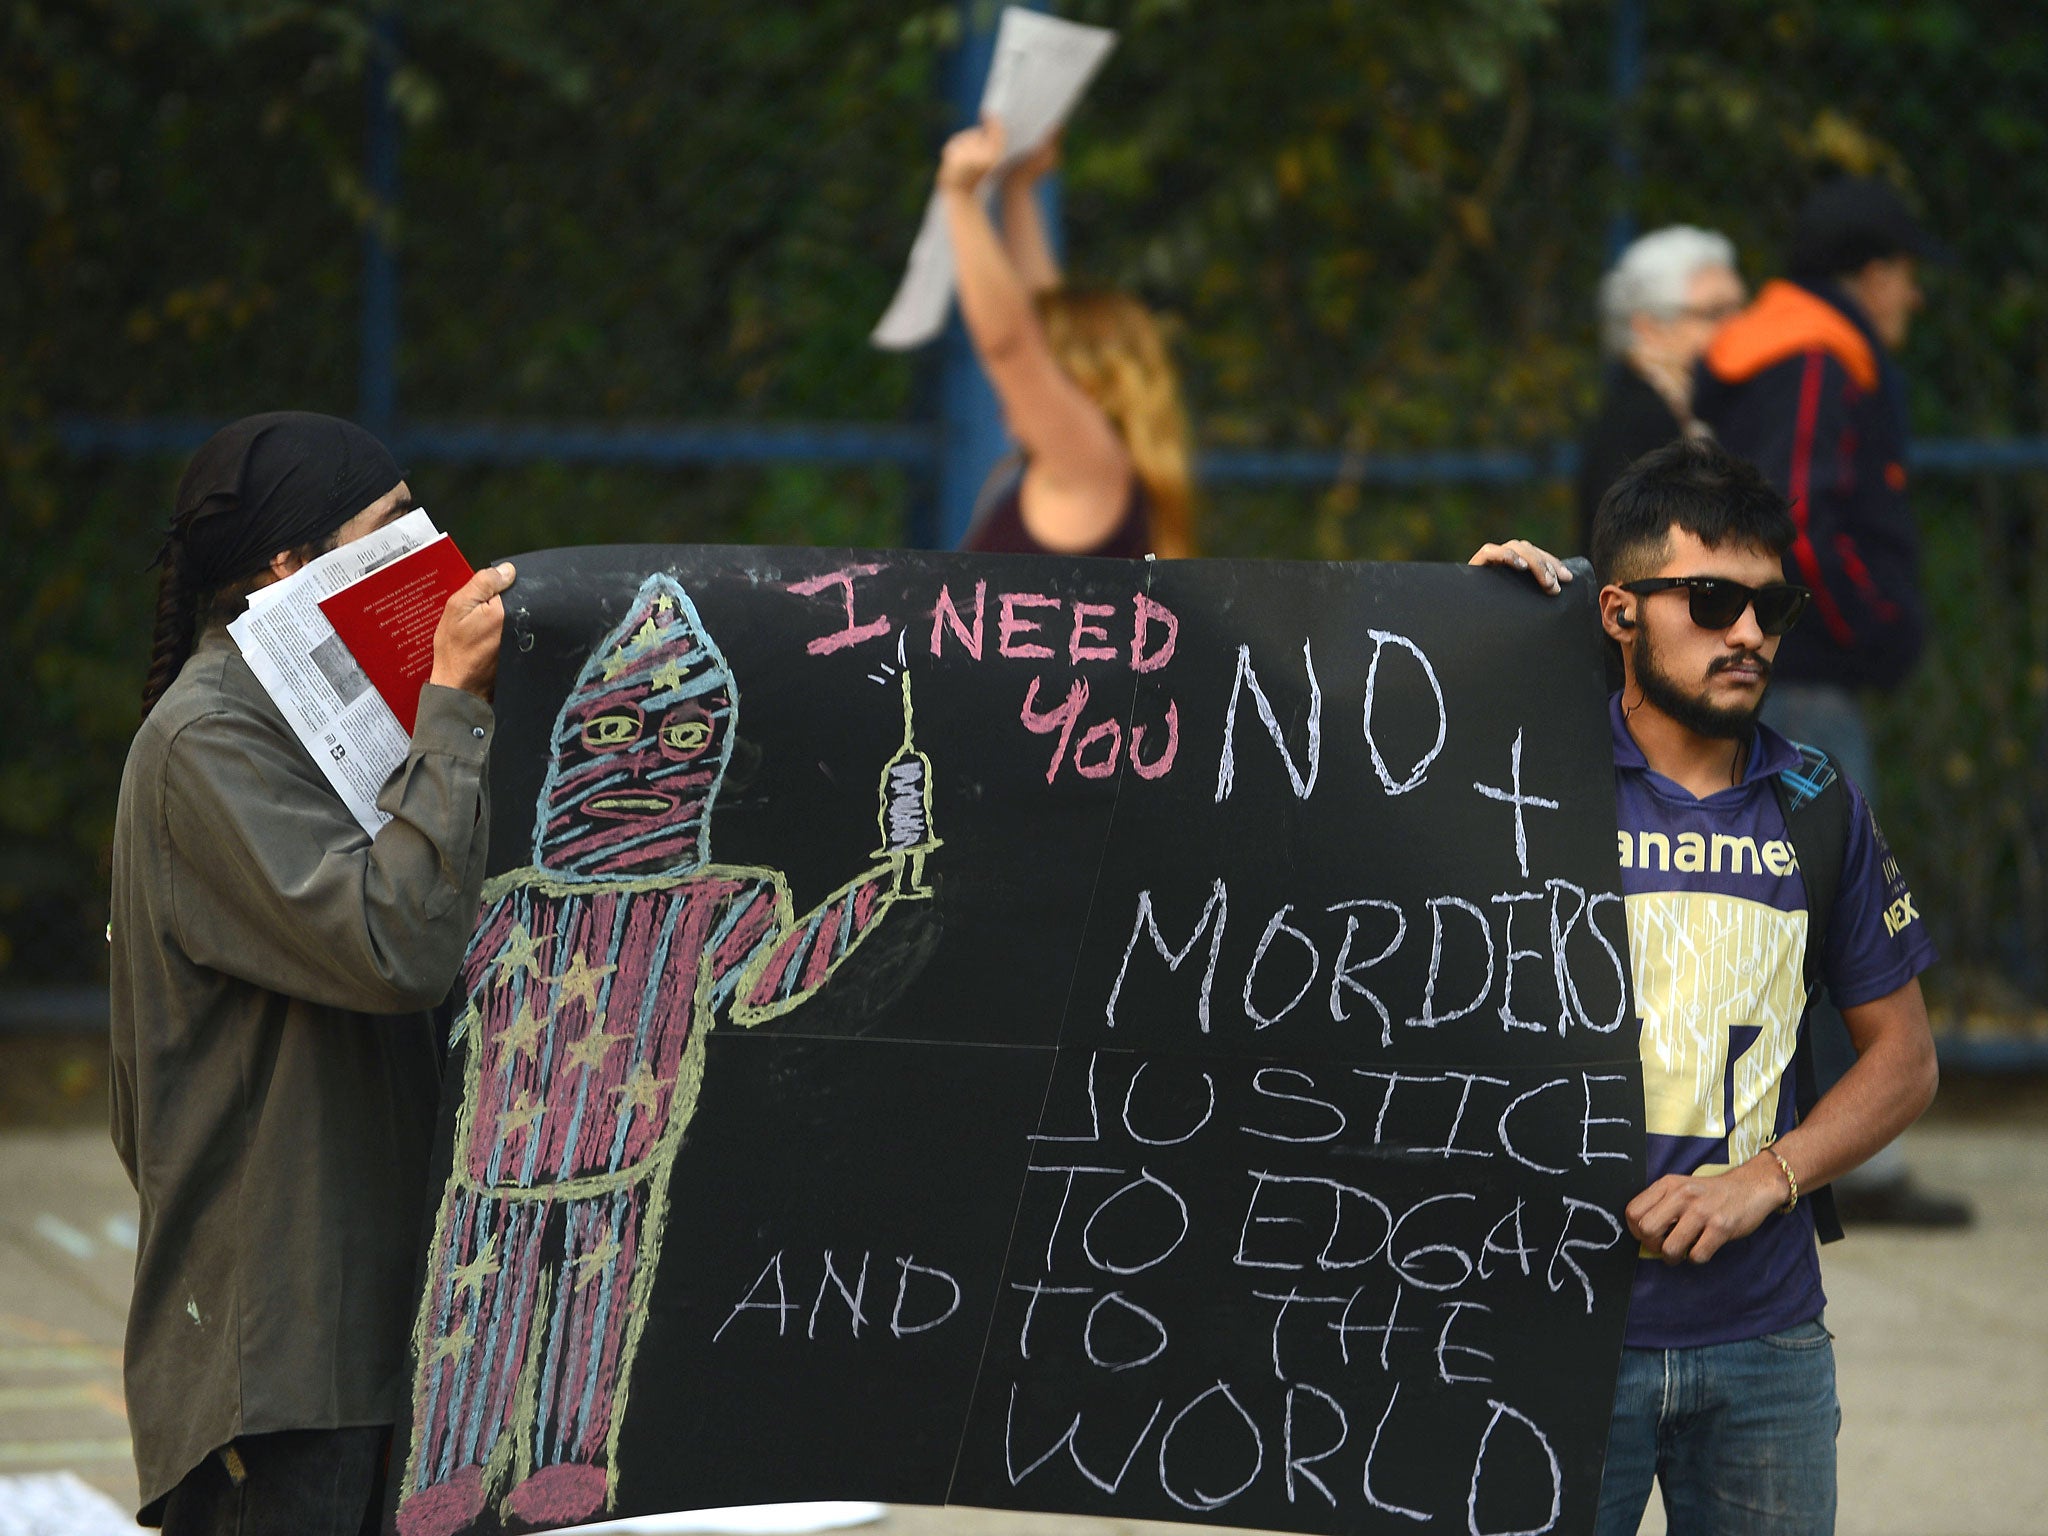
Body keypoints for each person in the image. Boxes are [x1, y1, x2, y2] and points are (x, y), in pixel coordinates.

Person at [1474, 437, 1941, 1533]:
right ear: (1617, 611)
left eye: (1768, 607)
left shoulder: (1816, 802)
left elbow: (1903, 1060)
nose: (1746, 633)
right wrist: (1473, 635)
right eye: (1710, 599)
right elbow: (1337, 789)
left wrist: (1763, 1179)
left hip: (1764, 1347)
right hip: (1543, 1336)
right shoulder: (1519, 775)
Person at [109, 411, 516, 1534]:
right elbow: (398, 945)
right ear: (293, 565)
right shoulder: (209, 744)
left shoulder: (323, 723)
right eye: (389, 529)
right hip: (284, 1365)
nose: (424, 551)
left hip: (388, 1330)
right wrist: (453, 714)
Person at [1692, 175, 1966, 1226]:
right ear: (1872, 272)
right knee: (1822, 909)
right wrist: (1865, 622)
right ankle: (1849, 1158)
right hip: (1801, 670)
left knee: (1791, 906)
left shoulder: (1769, 343)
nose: (1910, 303)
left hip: (1786, 666)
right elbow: (1791, 509)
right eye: (1903, 279)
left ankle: (1806, 1146)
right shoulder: (1812, 352)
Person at [938, 118, 1196, 558]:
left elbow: (1013, 346)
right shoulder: (1092, 463)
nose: (1021, 385)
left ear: (1080, 374)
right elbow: (1038, 311)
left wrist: (960, 197)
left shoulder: (1091, 463)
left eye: (1046, 363)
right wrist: (1018, 187)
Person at [1574, 225, 1747, 549]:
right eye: (1715, 313)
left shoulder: (1692, 408)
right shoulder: (1638, 422)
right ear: (1648, 328)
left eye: (1739, 309)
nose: (1736, 327)